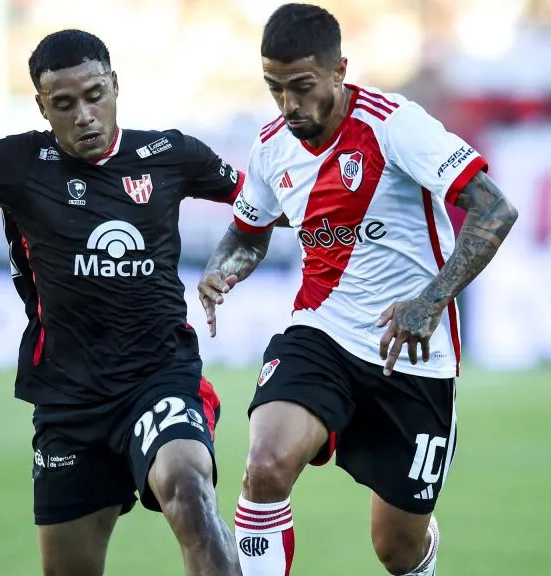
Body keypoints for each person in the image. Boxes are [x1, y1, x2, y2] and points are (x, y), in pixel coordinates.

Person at [0, 29, 245, 576]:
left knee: (188, 490)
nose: (84, 114)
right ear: (42, 107)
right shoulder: (16, 163)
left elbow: (262, 204)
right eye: (64, 104)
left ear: (114, 86)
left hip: (159, 377)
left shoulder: (171, 154)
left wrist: (229, 259)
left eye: (94, 95)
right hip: (69, 399)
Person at [198, 4, 519, 575]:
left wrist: (431, 299)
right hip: (321, 331)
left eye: (302, 87)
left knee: (395, 549)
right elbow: (247, 234)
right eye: (275, 89)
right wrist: (224, 266)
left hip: (412, 350)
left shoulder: (395, 124)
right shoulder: (271, 146)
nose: (289, 105)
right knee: (265, 464)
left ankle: (422, 547)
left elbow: (495, 209)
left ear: (339, 69)